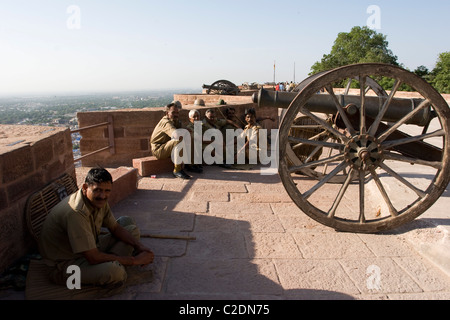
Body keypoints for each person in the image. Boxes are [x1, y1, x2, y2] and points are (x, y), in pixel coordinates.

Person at [38, 168, 154, 289]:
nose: (103, 196)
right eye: (97, 190)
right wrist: (134, 260)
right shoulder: (76, 213)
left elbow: (114, 228)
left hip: (90, 247)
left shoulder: (98, 201)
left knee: (129, 226)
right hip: (65, 265)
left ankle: (111, 262)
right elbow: (92, 257)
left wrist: (140, 246)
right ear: (84, 187)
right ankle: (112, 265)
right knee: (115, 272)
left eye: (107, 191)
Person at [150, 103, 191, 179]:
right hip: (158, 149)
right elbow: (176, 135)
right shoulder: (166, 122)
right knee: (179, 140)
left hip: (167, 147)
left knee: (189, 136)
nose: (176, 115)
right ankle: (177, 170)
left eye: (177, 113)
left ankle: (190, 165)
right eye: (173, 113)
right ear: (167, 113)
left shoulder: (175, 121)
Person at [184, 109, 204, 173]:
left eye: (198, 116)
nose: (197, 118)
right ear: (190, 119)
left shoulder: (200, 125)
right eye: (194, 117)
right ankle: (191, 165)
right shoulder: (190, 127)